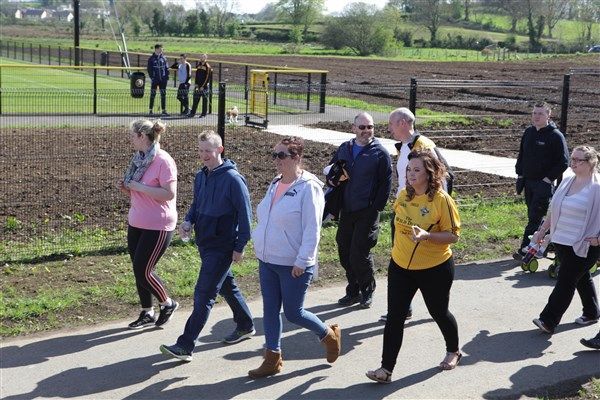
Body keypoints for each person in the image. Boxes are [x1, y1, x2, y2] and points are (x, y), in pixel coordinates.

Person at [248, 136, 341, 378]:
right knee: (270, 310)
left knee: (293, 313)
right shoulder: (275, 182)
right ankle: (272, 358)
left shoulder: (309, 187)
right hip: (268, 259)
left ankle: (328, 335)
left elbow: (313, 228)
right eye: (275, 155)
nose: (276, 160)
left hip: (293, 263)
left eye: (282, 155)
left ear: (297, 157)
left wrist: (303, 260)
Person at [366, 149, 461, 384]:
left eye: (417, 170)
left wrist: (428, 236)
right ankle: (386, 369)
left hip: (434, 268)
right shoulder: (402, 196)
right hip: (400, 266)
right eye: (409, 169)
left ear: (429, 174)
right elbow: (396, 225)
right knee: (395, 318)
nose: (411, 173)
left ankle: (453, 350)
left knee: (439, 312)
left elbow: (453, 235)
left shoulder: (441, 200)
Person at [160, 130, 255, 362]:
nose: (204, 155)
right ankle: (245, 324)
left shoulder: (233, 179)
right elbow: (197, 204)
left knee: (204, 294)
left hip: (223, 246)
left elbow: (246, 216)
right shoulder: (200, 176)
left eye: (208, 151)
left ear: (220, 150)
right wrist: (188, 221)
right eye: (201, 150)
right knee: (226, 286)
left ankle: (185, 345)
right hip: (205, 242)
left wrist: (240, 246)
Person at [532, 146, 600, 335]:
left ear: (591, 163)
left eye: (579, 160)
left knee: (566, 280)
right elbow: (554, 210)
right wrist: (542, 231)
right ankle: (592, 312)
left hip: (586, 244)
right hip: (562, 240)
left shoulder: (597, 187)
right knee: (581, 277)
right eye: (572, 159)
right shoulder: (567, 181)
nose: (573, 163)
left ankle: (548, 320)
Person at [117, 119, 179, 329]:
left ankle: (168, 303)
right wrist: (128, 189)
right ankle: (147, 312)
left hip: (158, 224)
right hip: (137, 221)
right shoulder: (139, 159)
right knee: (138, 270)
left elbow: (168, 194)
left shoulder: (163, 161)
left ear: (142, 136)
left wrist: (139, 187)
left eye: (132, 135)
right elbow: (140, 191)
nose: (130, 139)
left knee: (144, 270)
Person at [380, 107, 439, 322]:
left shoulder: (423, 145)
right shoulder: (405, 146)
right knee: (401, 258)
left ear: (403, 123)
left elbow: (440, 177)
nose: (389, 128)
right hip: (403, 210)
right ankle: (403, 308)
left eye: (391, 124)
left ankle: (438, 307)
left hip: (419, 213)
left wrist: (432, 212)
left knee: (423, 260)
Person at [328, 112, 392, 309]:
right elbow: (332, 169)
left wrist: (376, 208)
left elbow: (386, 183)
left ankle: (367, 290)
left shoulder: (380, 153)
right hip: (347, 209)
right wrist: (331, 179)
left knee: (359, 253)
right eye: (362, 127)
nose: (366, 131)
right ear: (354, 128)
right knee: (344, 249)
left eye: (370, 127)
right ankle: (353, 290)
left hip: (367, 211)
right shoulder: (345, 148)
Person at [514, 102, 568, 258]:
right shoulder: (529, 132)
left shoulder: (555, 136)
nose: (536, 116)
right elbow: (521, 155)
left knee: (535, 217)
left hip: (543, 185)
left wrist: (547, 179)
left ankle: (526, 250)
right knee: (534, 216)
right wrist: (520, 174)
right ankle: (549, 243)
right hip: (528, 182)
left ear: (548, 115)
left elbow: (564, 162)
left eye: (541, 114)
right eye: (534, 113)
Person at [147, 44, 169, 116]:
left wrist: (166, 78)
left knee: (163, 95)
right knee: (153, 94)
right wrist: (152, 78)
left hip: (163, 80)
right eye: (160, 49)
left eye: (162, 49)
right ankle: (150, 110)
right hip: (155, 80)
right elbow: (149, 69)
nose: (162, 50)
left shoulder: (164, 58)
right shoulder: (151, 59)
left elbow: (166, 69)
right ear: (156, 49)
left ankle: (163, 110)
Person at [188, 53, 212, 118]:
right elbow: (196, 75)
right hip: (197, 86)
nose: (201, 58)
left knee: (204, 101)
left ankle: (203, 114)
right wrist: (196, 84)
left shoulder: (207, 66)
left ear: (206, 58)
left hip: (204, 87)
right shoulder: (198, 65)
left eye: (203, 57)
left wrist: (203, 86)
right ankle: (192, 113)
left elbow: (207, 77)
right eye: (201, 57)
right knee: (195, 100)